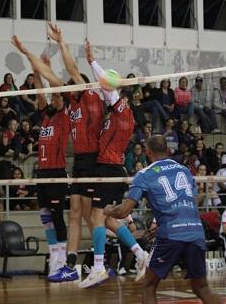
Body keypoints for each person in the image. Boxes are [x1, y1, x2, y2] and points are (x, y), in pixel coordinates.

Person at [103, 135, 222, 304]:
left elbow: (123, 211)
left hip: (171, 234)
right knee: (201, 288)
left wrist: (107, 210)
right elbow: (191, 203)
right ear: (167, 150)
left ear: (147, 152)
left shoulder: (144, 175)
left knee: (149, 285)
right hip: (195, 231)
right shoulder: (185, 170)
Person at [78, 45, 147, 288]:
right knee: (107, 219)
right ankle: (141, 255)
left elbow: (108, 88)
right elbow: (107, 91)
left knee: (96, 215)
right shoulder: (115, 117)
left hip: (109, 169)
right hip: (109, 169)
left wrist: (93, 62)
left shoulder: (125, 115)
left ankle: (98, 267)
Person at [43, 24, 104, 282]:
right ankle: (70, 264)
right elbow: (57, 81)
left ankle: (105, 260)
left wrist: (61, 43)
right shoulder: (71, 104)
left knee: (94, 216)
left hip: (93, 160)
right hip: (79, 162)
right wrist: (39, 67)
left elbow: (70, 70)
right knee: (76, 213)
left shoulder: (90, 96)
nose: (70, 87)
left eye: (73, 84)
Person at [11, 34, 71, 278]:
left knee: (57, 218)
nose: (50, 102)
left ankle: (62, 262)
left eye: (55, 101)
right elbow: (40, 89)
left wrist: (48, 66)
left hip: (56, 174)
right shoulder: (45, 117)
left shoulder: (63, 117)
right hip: (42, 173)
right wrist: (34, 64)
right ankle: (54, 257)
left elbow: (55, 90)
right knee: (45, 217)